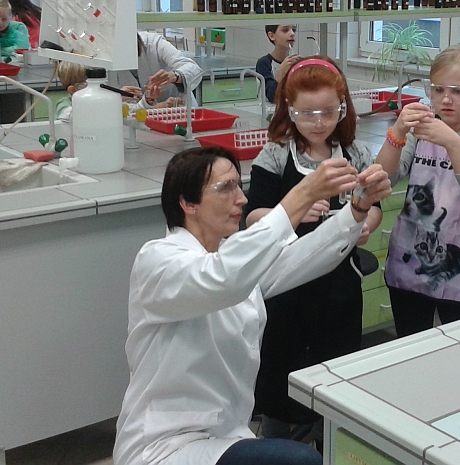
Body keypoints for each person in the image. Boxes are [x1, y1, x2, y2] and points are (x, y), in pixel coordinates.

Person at [113, 146, 391, 465]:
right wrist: (304, 194)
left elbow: (304, 257)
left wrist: (357, 208)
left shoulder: (233, 256)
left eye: (239, 185)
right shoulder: (158, 261)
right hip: (164, 444)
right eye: (226, 187)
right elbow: (222, 279)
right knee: (300, 461)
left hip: (225, 434)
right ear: (188, 203)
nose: (242, 199)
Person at [243, 56, 383, 443]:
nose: (318, 123)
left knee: (334, 370)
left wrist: (366, 223)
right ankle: (274, 440)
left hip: (339, 288)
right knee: (281, 374)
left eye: (328, 112)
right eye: (307, 114)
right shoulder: (275, 155)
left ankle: (326, 440)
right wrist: (291, 212)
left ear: (343, 108)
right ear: (289, 110)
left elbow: (373, 207)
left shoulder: (355, 154)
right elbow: (253, 216)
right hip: (286, 289)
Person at [376, 45, 460, 338]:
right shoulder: (419, 135)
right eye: (438, 90)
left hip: (459, 267)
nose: (446, 99)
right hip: (410, 261)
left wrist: (452, 142)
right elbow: (382, 179)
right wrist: (397, 133)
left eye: (458, 91)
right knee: (410, 345)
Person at [56, 61, 183, 123]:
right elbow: (74, 117)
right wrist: (111, 100)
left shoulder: (108, 102)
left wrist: (148, 99)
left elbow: (134, 110)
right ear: (73, 90)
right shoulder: (65, 105)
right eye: (89, 85)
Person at [119, 31, 204, 108]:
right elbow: (120, 106)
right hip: (137, 115)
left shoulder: (154, 43)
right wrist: (158, 106)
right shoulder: (111, 61)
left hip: (178, 109)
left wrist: (175, 76)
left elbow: (193, 68)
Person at [255, 25, 300, 103]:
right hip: (269, 109)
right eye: (285, 30)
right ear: (272, 36)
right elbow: (272, 97)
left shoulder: (297, 62)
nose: (292, 33)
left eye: (294, 30)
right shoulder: (264, 63)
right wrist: (281, 72)